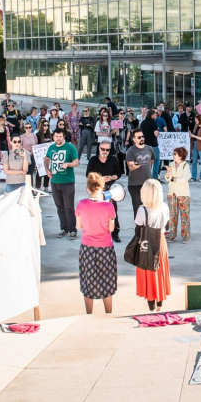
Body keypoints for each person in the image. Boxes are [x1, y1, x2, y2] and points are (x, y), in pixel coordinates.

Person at [75, 172, 118, 314]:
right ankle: (108, 313)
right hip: (105, 247)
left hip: (87, 247)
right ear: (102, 188)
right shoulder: (108, 206)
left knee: (88, 282)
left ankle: (89, 314)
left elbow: (78, 226)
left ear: (88, 189)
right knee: (107, 281)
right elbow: (111, 228)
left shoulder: (81, 204)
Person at [135, 179, 172, 312]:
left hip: (146, 242)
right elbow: (166, 226)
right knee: (160, 270)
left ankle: (151, 305)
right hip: (160, 241)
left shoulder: (142, 210)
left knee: (148, 271)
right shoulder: (164, 207)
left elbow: (138, 230)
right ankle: (160, 305)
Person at [45, 129, 80, 239]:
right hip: (55, 181)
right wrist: (47, 169)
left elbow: (76, 162)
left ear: (63, 136)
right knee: (59, 207)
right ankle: (63, 228)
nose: (58, 138)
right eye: (56, 136)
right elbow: (46, 158)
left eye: (60, 136)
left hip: (67, 181)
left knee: (69, 207)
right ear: (53, 137)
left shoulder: (70, 147)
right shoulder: (51, 148)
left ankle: (72, 230)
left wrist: (68, 164)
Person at [86, 140, 122, 241]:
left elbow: (118, 173)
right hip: (96, 189)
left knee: (112, 211)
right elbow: (88, 174)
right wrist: (99, 179)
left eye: (107, 150)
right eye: (103, 149)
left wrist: (111, 178)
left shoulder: (113, 160)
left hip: (110, 189)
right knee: (96, 212)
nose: (105, 151)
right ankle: (97, 232)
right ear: (99, 148)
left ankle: (115, 233)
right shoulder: (93, 160)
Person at [125, 129, 155, 219]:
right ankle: (138, 227)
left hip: (148, 183)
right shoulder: (130, 151)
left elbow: (152, 161)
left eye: (142, 136)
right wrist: (134, 166)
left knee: (149, 207)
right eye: (139, 137)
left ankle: (147, 226)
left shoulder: (150, 148)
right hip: (135, 184)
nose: (142, 138)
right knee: (138, 207)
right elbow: (130, 166)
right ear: (134, 139)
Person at [165, 147, 191, 242]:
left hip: (183, 193)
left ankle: (186, 235)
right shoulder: (171, 164)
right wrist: (169, 172)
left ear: (180, 156)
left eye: (175, 154)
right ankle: (172, 234)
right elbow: (167, 178)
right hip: (171, 193)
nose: (173, 155)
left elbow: (184, 178)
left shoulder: (185, 166)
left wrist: (173, 178)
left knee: (184, 215)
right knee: (172, 214)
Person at [190, 115, 201, 182]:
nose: (195, 121)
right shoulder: (196, 126)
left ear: (199, 120)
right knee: (194, 161)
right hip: (195, 144)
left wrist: (193, 136)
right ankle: (193, 176)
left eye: (196, 119)